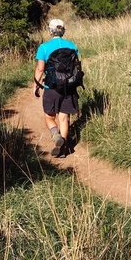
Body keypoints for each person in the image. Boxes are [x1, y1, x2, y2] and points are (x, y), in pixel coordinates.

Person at [34, 18, 80, 157]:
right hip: (69, 87)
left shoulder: (44, 47)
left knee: (49, 116)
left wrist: (36, 85)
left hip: (51, 87)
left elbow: (40, 68)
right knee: (63, 118)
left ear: (50, 31)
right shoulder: (72, 46)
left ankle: (56, 136)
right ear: (63, 30)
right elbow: (77, 66)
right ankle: (63, 149)